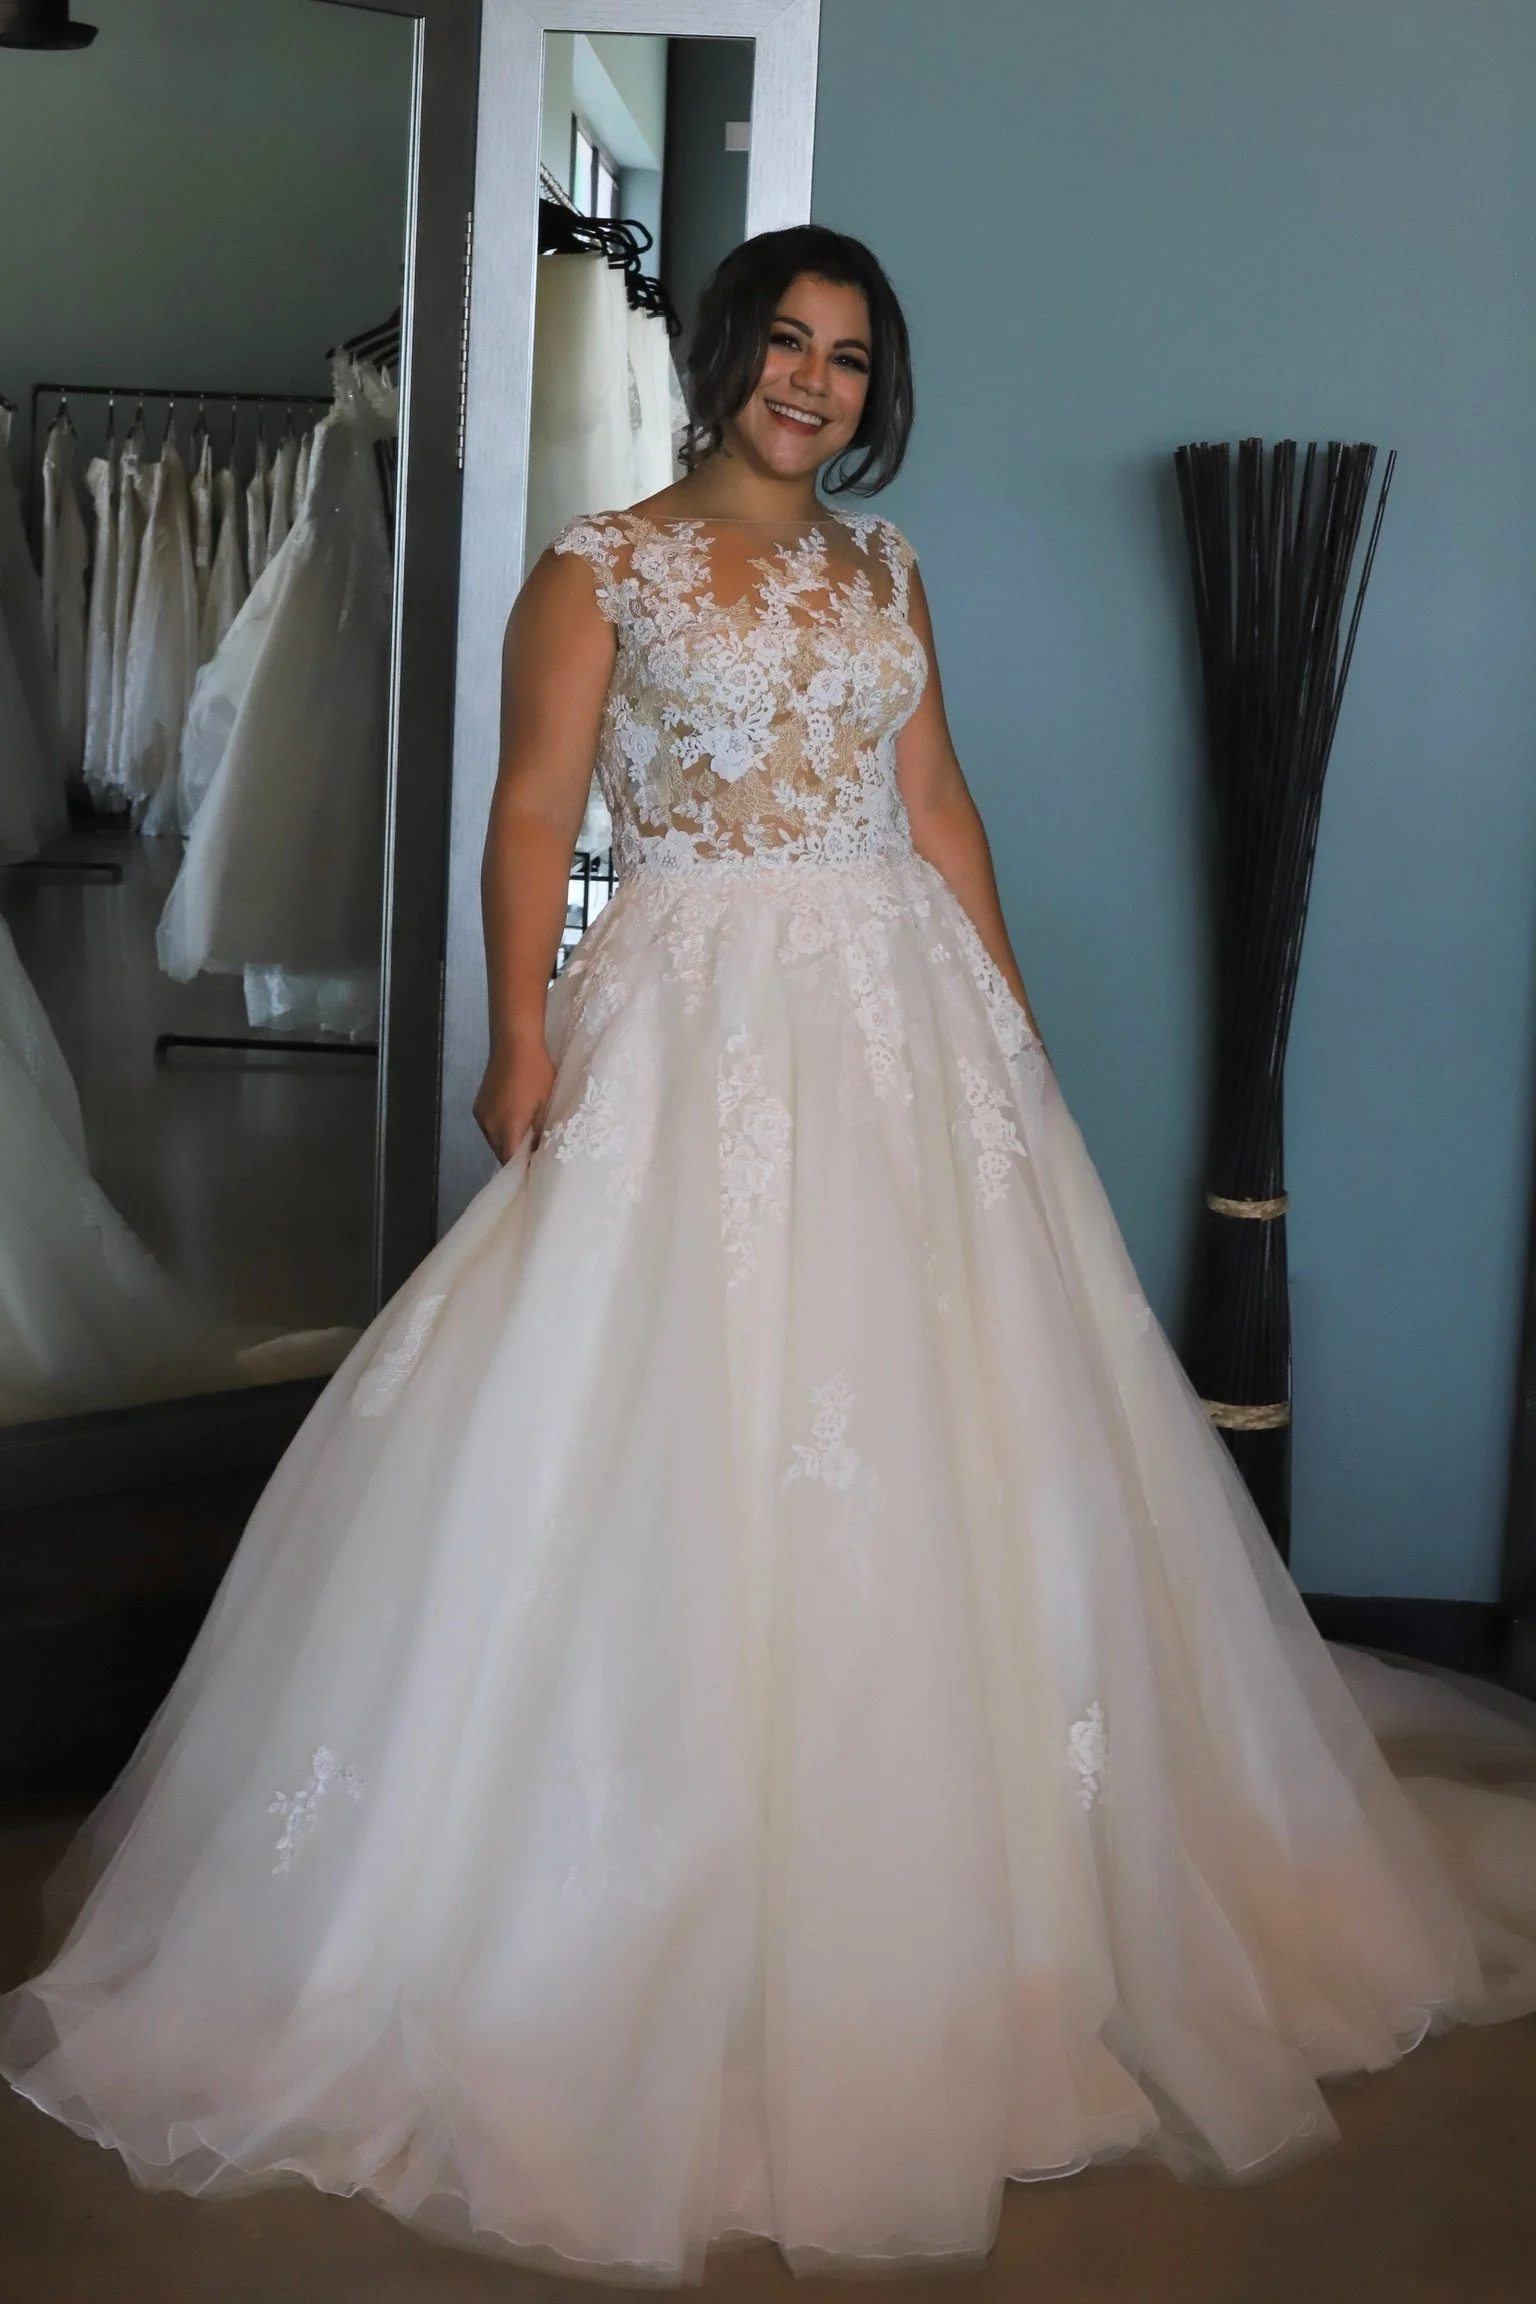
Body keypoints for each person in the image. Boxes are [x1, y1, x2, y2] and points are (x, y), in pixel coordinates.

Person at [4, 225, 1536, 2287]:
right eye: (789, 346)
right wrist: (525, 1039)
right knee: (651, 1395)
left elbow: (939, 801)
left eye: (851, 357)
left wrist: (1011, 1026)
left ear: (871, 390)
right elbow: (532, 812)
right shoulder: (601, 566)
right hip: (693, 1002)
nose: (815, 384)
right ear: (724, 357)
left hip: (902, 1013)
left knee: (959, 1421)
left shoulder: (885, 574)